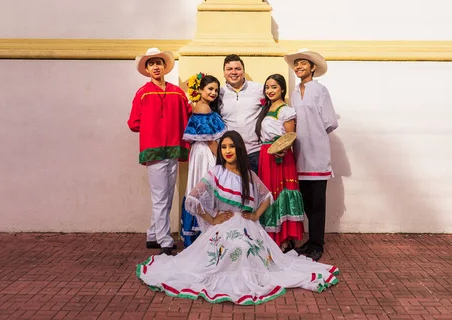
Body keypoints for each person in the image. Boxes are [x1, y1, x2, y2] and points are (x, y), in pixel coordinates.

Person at [136, 130, 338, 305]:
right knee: (236, 249)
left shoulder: (248, 175)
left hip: (249, 227)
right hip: (223, 227)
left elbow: (267, 196)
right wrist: (212, 219)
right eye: (223, 147)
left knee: (248, 251)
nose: (227, 150)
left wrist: (256, 214)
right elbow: (192, 199)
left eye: (231, 146)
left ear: (239, 149)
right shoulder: (215, 173)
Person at [127, 47, 193, 256]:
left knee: (166, 194)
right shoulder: (143, 93)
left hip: (172, 149)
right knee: (160, 196)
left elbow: (188, 113)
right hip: (154, 151)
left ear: (165, 66)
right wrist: (152, 128)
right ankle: (165, 239)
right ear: (147, 69)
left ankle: (153, 234)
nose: (156, 67)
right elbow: (133, 122)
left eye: (158, 63)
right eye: (151, 64)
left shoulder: (177, 92)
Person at [284, 48, 338, 262]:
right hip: (300, 154)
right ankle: (310, 241)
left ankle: (318, 243)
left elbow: (330, 121)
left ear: (312, 67)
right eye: (296, 64)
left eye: (303, 63)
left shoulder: (320, 90)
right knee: (306, 202)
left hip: (317, 154)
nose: (298, 67)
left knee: (317, 203)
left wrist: (314, 135)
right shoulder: (295, 92)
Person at [255, 74, 304, 252]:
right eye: (267, 87)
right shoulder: (265, 109)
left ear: (282, 89)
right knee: (268, 196)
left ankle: (283, 239)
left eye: (274, 87)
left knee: (281, 195)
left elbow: (290, 136)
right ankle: (269, 237)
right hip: (265, 155)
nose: (270, 90)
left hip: (280, 157)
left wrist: (282, 150)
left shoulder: (286, 110)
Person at [180, 74, 226, 247]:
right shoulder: (203, 108)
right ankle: (205, 235)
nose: (213, 92)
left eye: (216, 90)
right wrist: (221, 160)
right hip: (206, 152)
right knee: (206, 187)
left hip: (201, 151)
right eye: (210, 89)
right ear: (200, 90)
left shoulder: (203, 106)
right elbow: (210, 139)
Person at [219, 54, 264, 173]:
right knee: (231, 191)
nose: (233, 72)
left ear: (243, 72)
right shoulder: (219, 93)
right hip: (230, 154)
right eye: (229, 69)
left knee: (255, 190)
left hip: (255, 152)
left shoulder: (259, 89)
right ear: (224, 72)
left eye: (237, 69)